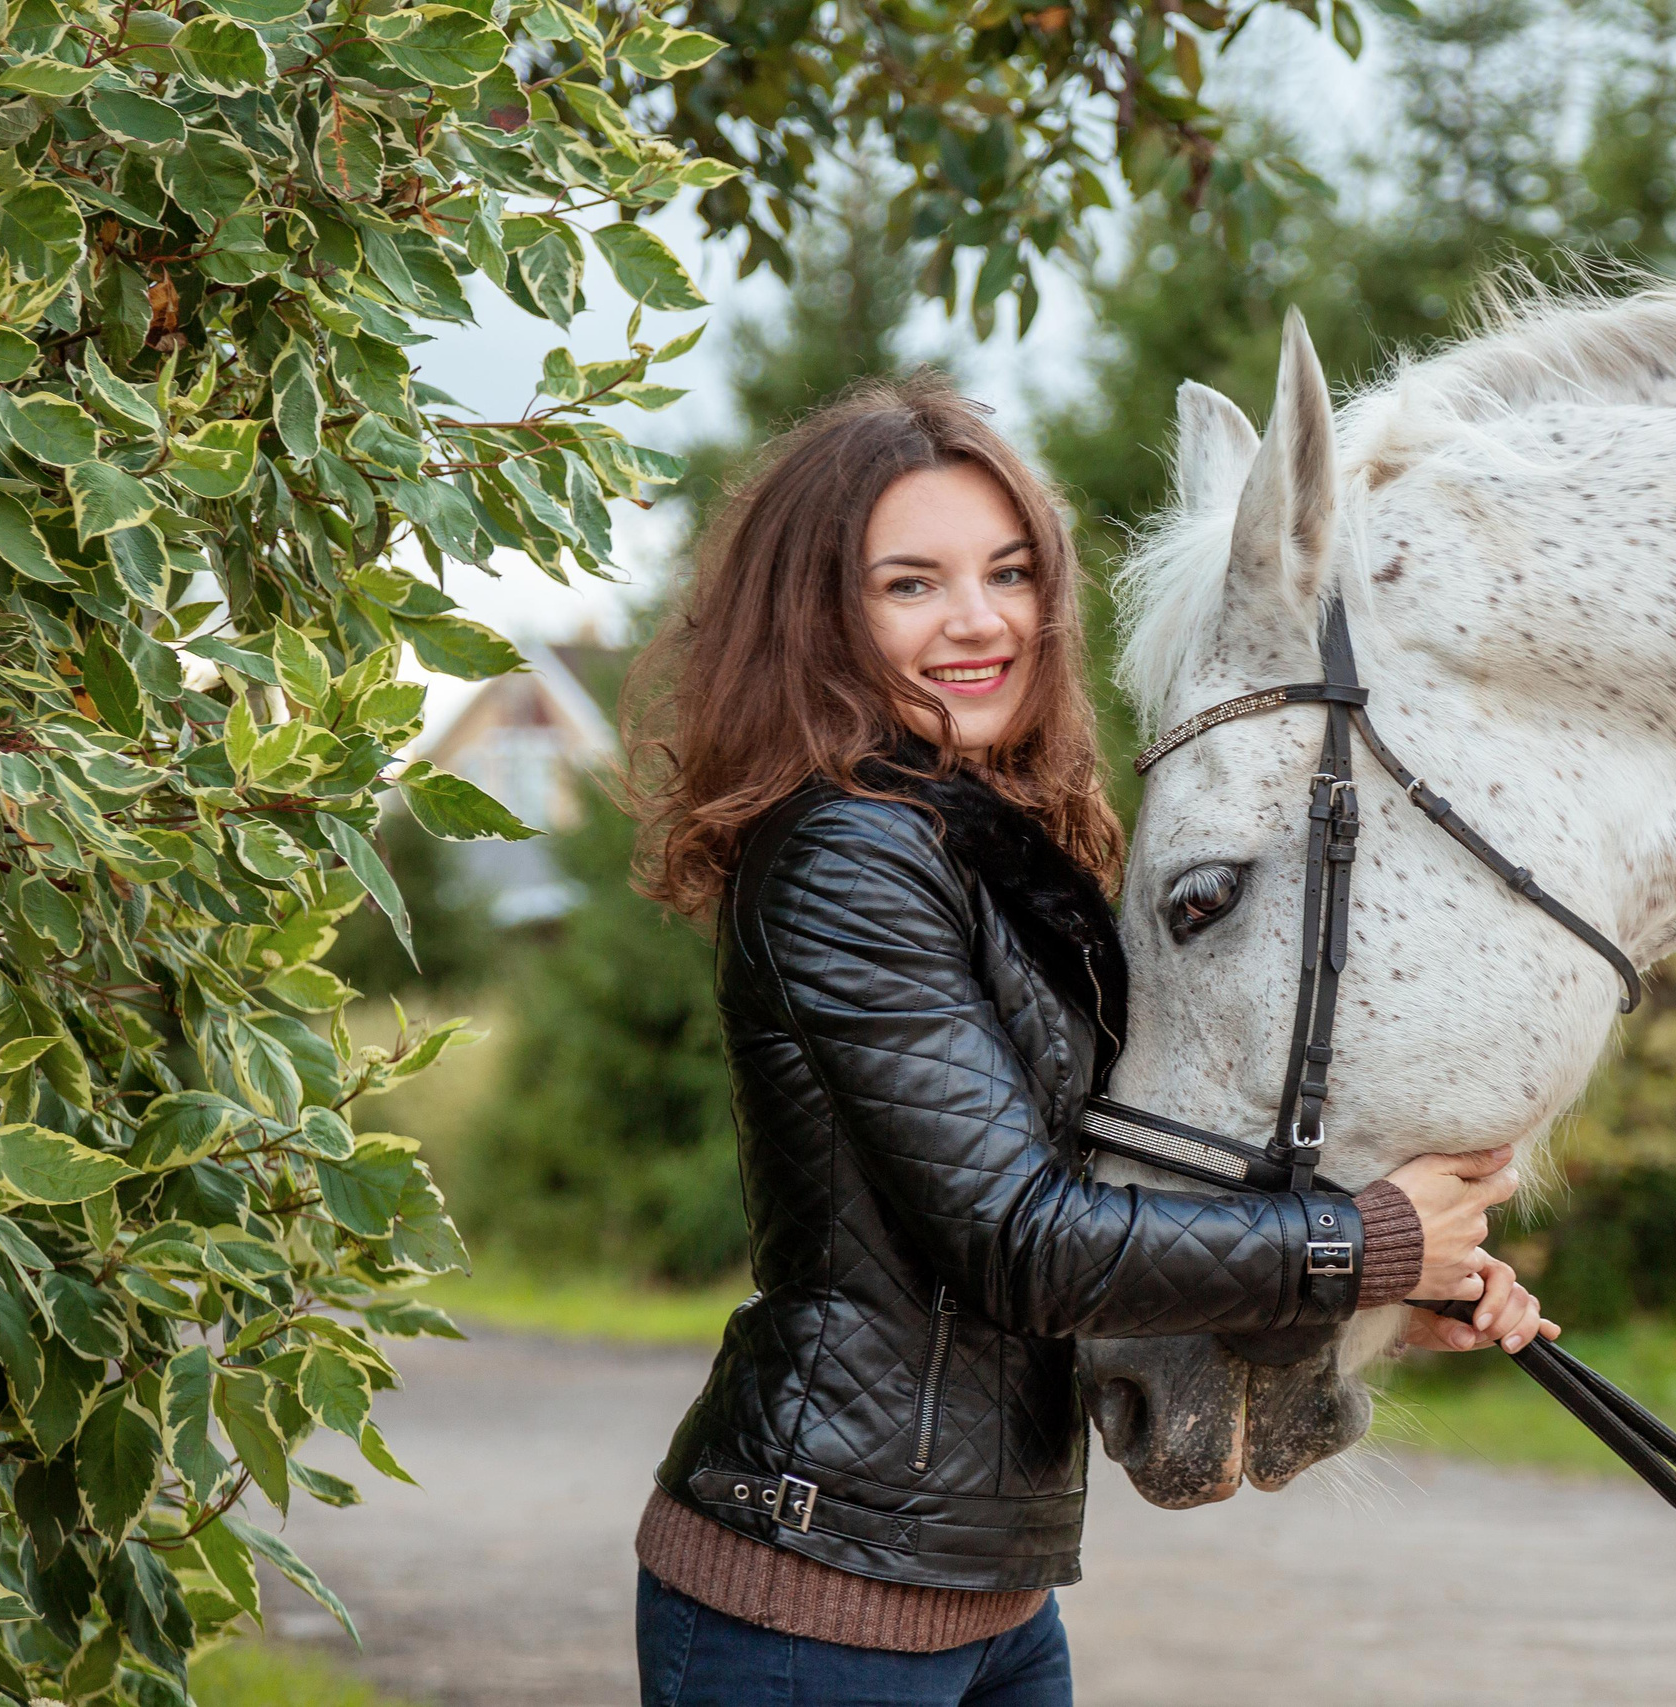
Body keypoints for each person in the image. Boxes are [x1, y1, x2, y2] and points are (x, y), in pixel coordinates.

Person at [619, 373, 1558, 1707]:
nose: (978, 620)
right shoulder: (846, 857)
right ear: (820, 615)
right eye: (911, 584)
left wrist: (1384, 1286)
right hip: (812, 1601)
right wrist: (1364, 1240)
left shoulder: (987, 841)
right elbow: (1023, 1239)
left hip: (983, 1601)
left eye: (1008, 573)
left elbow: (1116, 1180)